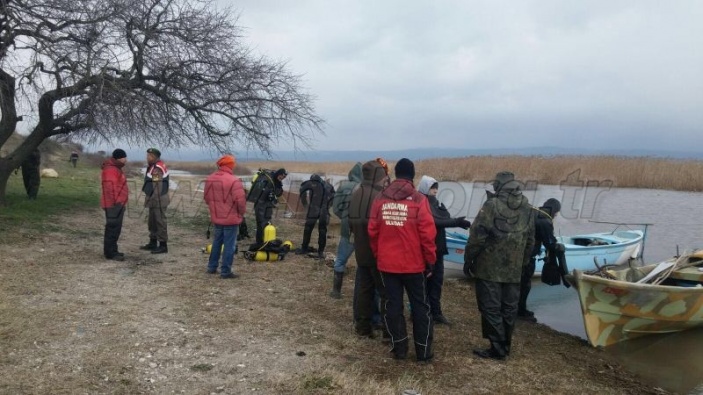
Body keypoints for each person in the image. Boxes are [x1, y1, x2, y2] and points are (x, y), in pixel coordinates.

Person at [368, 158, 437, 362]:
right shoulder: (418, 200)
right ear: (412, 175)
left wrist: (379, 255)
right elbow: (427, 234)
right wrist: (430, 260)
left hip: (388, 264)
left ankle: (399, 349)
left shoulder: (380, 198)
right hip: (414, 265)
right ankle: (423, 352)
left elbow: (373, 231)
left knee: (393, 306)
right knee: (420, 307)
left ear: (396, 174)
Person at [464, 171, 535, 360]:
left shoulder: (492, 205)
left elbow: (477, 236)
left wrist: (468, 259)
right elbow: (530, 241)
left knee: (490, 307)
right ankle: (505, 345)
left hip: (489, 268)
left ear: (499, 185)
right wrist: (522, 262)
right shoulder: (528, 208)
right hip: (514, 270)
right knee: (509, 308)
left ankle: (497, 348)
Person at [417, 175, 471, 325]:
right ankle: (421, 312)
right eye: (432, 187)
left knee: (437, 283)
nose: (435, 190)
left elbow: (444, 218)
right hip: (424, 251)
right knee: (423, 284)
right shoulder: (419, 203)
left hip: (439, 249)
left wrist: (458, 223)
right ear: (425, 188)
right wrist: (455, 221)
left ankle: (436, 313)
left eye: (436, 187)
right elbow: (433, 221)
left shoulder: (438, 203)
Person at [349, 159, 389, 338]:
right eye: (382, 177)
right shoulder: (378, 197)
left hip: (361, 250)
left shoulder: (356, 193)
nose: (384, 181)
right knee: (386, 291)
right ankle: (390, 330)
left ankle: (363, 327)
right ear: (376, 177)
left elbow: (350, 222)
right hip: (376, 252)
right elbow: (384, 227)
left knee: (364, 289)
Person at [519, 198, 561, 322]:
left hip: (516, 253)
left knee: (515, 284)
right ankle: (521, 311)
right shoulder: (544, 220)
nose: (556, 216)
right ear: (554, 211)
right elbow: (550, 242)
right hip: (527, 257)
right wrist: (558, 247)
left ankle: (510, 308)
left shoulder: (532, 212)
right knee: (525, 285)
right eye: (556, 213)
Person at [203, 155, 246, 279]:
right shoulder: (234, 180)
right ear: (230, 165)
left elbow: (207, 198)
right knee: (229, 245)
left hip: (217, 217)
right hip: (231, 218)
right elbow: (240, 202)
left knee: (216, 242)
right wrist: (241, 213)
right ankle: (225, 271)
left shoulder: (210, 179)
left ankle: (212, 267)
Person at [329, 162, 363, 299]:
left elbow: (336, 208)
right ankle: (361, 293)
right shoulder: (364, 188)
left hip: (347, 229)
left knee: (341, 260)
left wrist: (343, 217)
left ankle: (336, 291)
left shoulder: (342, 186)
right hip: (362, 229)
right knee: (364, 263)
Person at [296, 174, 335, 257]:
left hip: (319, 208)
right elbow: (334, 197)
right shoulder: (327, 185)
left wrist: (306, 205)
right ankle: (309, 249)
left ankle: (314, 250)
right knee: (312, 229)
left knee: (318, 230)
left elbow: (333, 196)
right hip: (319, 207)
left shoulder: (315, 185)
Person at [140, 148, 170, 254]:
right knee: (152, 222)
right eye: (147, 155)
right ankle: (153, 242)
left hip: (158, 200)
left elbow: (157, 186)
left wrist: (154, 200)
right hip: (154, 199)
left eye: (149, 156)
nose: (147, 157)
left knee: (160, 222)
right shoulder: (153, 166)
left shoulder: (157, 168)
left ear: (155, 157)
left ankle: (163, 245)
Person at [101, 149, 129, 261]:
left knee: (115, 228)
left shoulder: (116, 168)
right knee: (112, 228)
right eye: (124, 157)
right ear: (119, 158)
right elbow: (110, 187)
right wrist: (117, 202)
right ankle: (110, 253)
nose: (126, 160)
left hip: (117, 204)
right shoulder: (111, 169)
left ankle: (113, 250)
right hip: (113, 204)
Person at [253, 168, 287, 244]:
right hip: (260, 204)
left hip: (269, 205)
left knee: (267, 222)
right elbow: (262, 191)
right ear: (278, 174)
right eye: (281, 176)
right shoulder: (268, 179)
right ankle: (259, 242)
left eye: (284, 177)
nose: (282, 178)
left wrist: (278, 188)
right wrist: (269, 193)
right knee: (261, 223)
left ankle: (266, 241)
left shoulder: (277, 182)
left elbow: (279, 193)